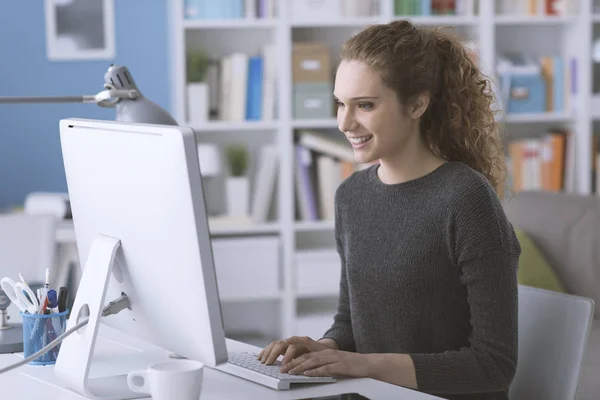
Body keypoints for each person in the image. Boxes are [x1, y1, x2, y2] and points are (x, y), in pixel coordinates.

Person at [258, 19, 521, 400]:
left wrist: (365, 365)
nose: (345, 123)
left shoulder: (467, 199)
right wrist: (324, 349)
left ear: (417, 104)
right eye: (340, 104)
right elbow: (351, 325)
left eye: (364, 105)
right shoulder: (350, 197)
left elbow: (493, 365)